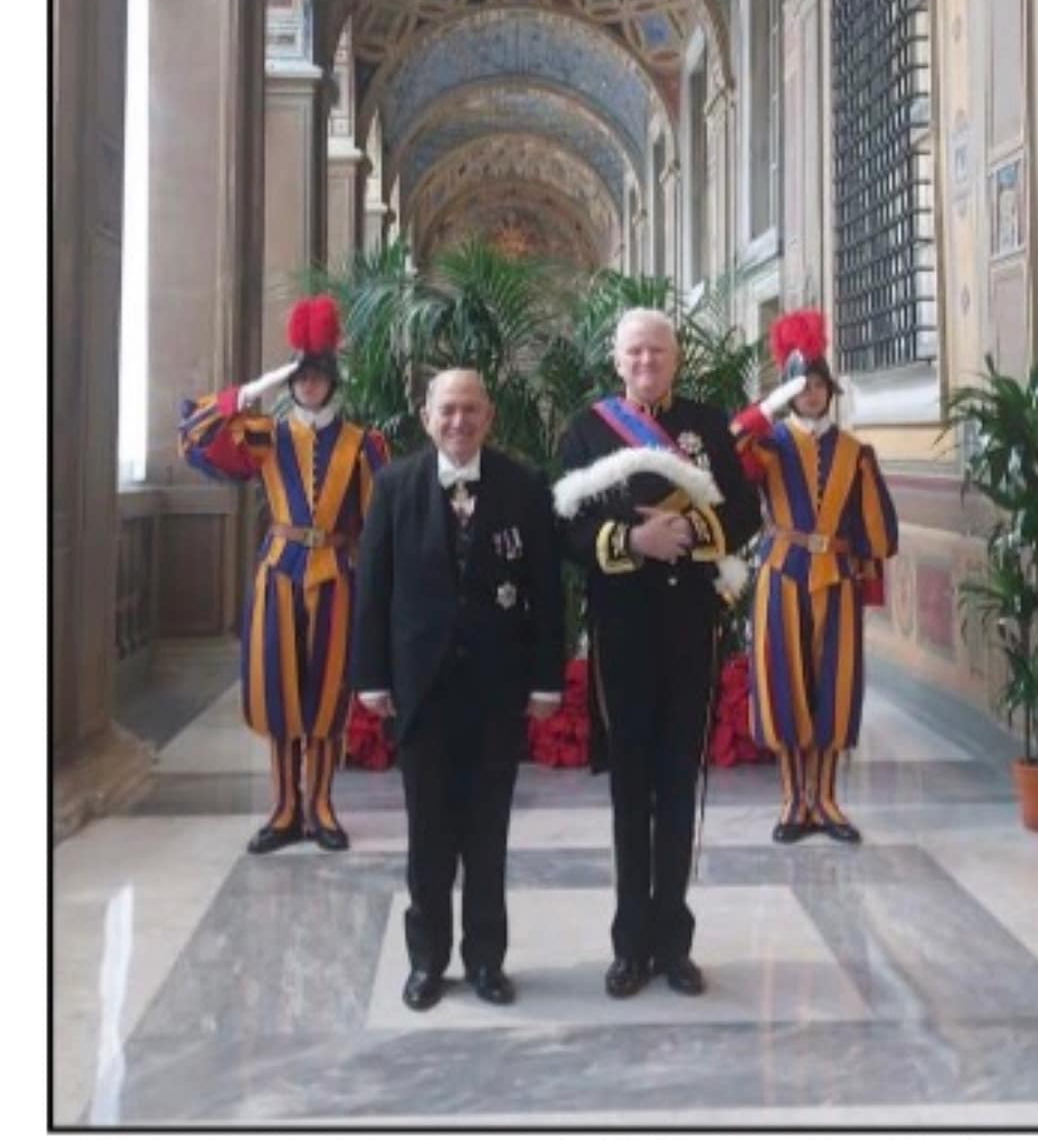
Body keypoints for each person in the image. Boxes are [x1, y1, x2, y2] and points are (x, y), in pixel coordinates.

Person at [554, 309, 760, 999]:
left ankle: (674, 944)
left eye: (658, 351)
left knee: (677, 785)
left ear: (676, 359)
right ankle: (629, 945)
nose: (647, 362)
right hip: (622, 630)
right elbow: (566, 525)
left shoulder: (706, 423)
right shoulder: (587, 429)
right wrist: (630, 541)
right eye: (635, 352)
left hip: (689, 627)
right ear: (617, 360)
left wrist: (691, 532)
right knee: (629, 790)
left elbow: (744, 513)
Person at [352, 370, 564, 1013]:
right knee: (429, 838)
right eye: (447, 409)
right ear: (427, 417)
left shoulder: (523, 486)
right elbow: (373, 590)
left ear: (489, 416)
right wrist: (371, 677)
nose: (459, 421)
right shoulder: (394, 486)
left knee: (487, 835)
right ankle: (427, 960)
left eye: (471, 409)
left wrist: (546, 680)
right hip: (422, 692)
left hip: (496, 691)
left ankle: (486, 960)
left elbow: (547, 592)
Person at [178, 297, 388, 854]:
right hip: (278, 575)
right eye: (300, 377)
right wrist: (253, 390)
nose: (309, 385)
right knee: (279, 695)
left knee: (327, 695)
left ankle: (321, 805)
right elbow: (196, 438)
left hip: (337, 575)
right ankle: (284, 807)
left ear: (332, 379)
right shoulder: (265, 435)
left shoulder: (364, 444)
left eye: (317, 376)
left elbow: (381, 524)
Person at [731, 310, 898, 845]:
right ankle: (792, 800)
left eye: (818, 385)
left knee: (834, 688)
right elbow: (730, 447)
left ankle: (825, 799)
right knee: (785, 686)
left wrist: (864, 565)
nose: (811, 394)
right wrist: (766, 409)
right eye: (801, 387)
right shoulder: (770, 445)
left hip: (838, 579)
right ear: (789, 392)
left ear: (831, 390)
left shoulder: (855, 452)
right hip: (781, 574)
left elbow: (877, 528)